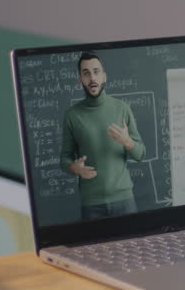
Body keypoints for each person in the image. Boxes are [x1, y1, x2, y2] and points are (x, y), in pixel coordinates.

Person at [61, 52, 147, 220]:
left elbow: (141, 154)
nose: (92, 78)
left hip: (125, 202)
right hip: (91, 205)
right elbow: (64, 158)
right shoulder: (72, 115)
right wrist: (73, 168)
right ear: (80, 78)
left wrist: (127, 142)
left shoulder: (122, 108)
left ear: (104, 76)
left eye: (96, 71)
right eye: (86, 73)